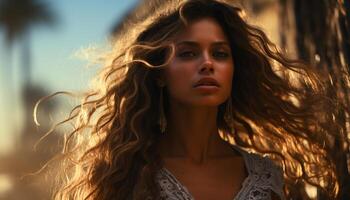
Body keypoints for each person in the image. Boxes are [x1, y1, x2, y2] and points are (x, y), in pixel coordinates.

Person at [45, 0, 339, 199]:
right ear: (158, 72)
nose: (208, 63)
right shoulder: (128, 176)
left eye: (220, 54)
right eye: (188, 53)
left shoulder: (268, 177)